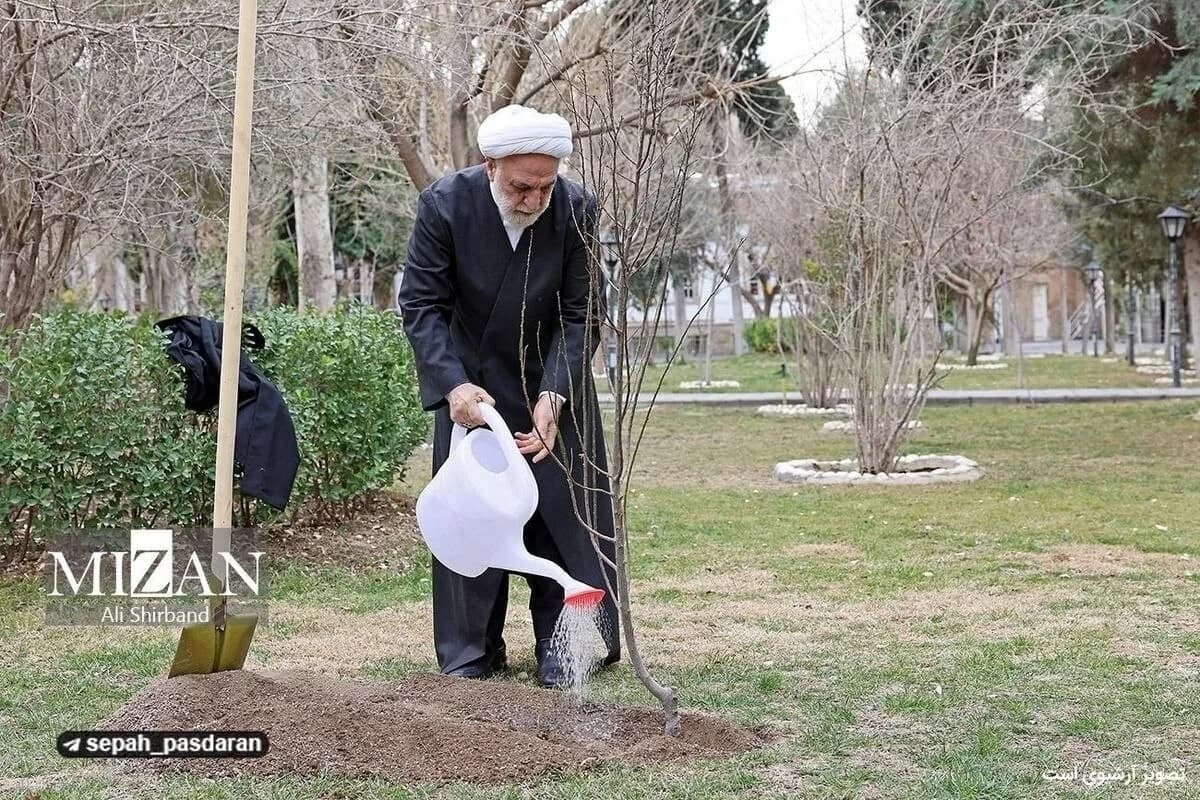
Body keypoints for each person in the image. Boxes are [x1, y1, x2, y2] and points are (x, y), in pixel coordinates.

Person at [397, 104, 619, 686]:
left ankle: (562, 644)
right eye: (522, 186)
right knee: (474, 512)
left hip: (552, 380)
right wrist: (451, 384)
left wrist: (556, 395)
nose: (535, 198)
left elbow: (582, 312)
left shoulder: (576, 208)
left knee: (559, 517)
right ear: (491, 166)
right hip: (472, 386)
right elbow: (421, 307)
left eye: (546, 185)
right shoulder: (445, 205)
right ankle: (471, 648)